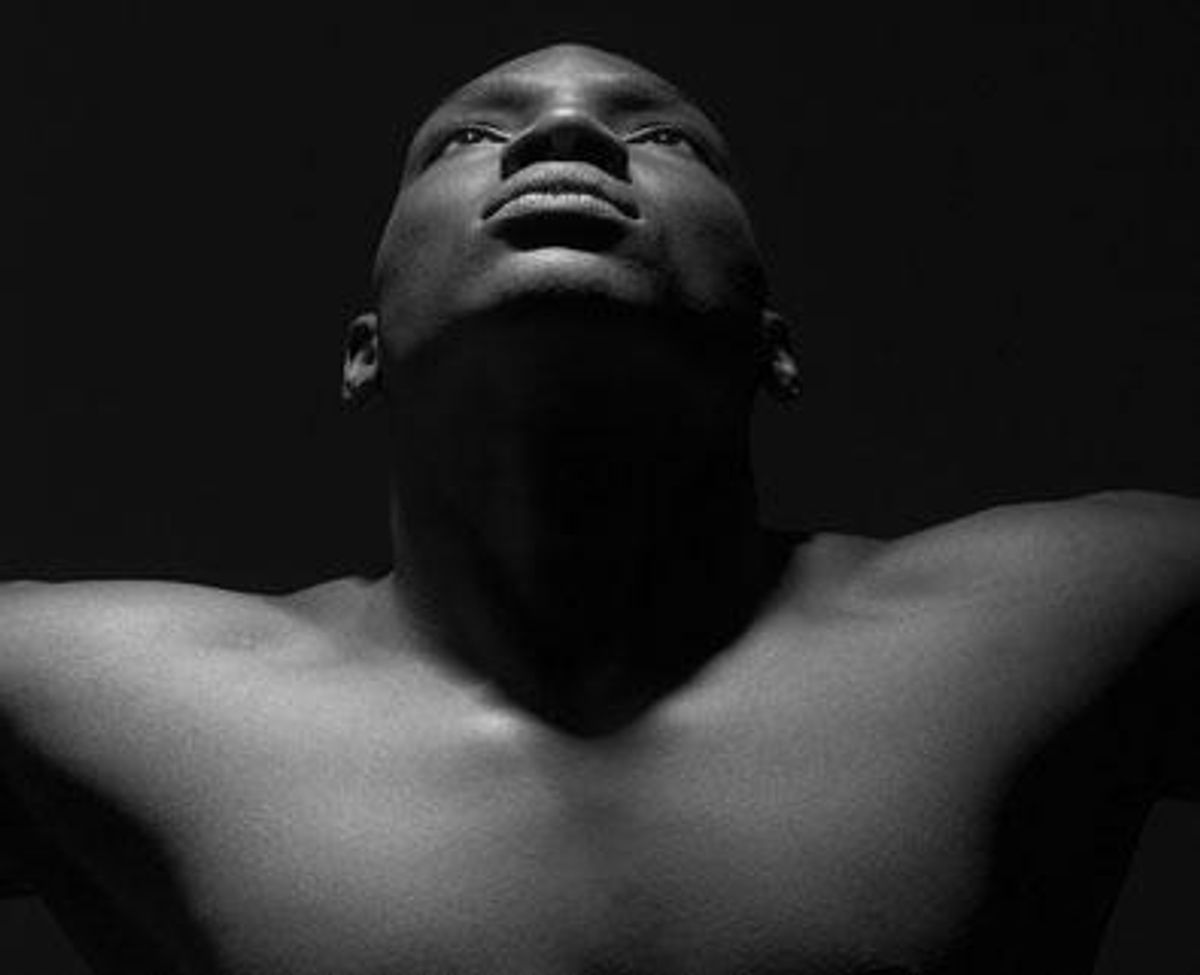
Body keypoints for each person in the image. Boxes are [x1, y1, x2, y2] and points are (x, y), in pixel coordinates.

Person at [1, 41, 1197, 975]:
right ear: (364, 352)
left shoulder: (1085, 606)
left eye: (664, 137)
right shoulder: (69, 686)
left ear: (773, 344)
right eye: (472, 136)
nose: (564, 134)